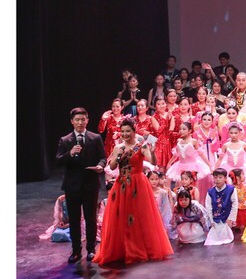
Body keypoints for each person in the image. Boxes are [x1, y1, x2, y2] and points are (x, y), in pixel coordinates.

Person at [93, 119, 175, 265]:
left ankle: (140, 248)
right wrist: (118, 156)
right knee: (121, 216)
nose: (125, 134)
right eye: (123, 131)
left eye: (128, 131)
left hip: (138, 184)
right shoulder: (118, 147)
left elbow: (153, 162)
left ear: (134, 131)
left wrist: (152, 152)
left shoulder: (140, 146)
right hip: (121, 184)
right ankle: (122, 249)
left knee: (139, 215)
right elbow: (112, 167)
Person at [56, 107, 107, 263]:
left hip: (90, 184)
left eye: (82, 119)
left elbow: (103, 157)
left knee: (91, 219)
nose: (80, 122)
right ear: (72, 121)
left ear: (87, 120)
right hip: (72, 186)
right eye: (77, 120)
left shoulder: (95, 138)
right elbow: (58, 160)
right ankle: (76, 251)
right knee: (74, 219)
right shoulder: (65, 140)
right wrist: (70, 153)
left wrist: (100, 166)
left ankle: (91, 250)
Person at [204, 168, 237, 245]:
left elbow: (235, 205)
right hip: (215, 218)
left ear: (225, 178)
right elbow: (208, 207)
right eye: (215, 177)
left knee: (227, 236)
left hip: (227, 218)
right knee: (213, 238)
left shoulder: (231, 189)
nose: (217, 180)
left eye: (220, 177)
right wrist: (211, 221)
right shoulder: (210, 192)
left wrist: (231, 219)